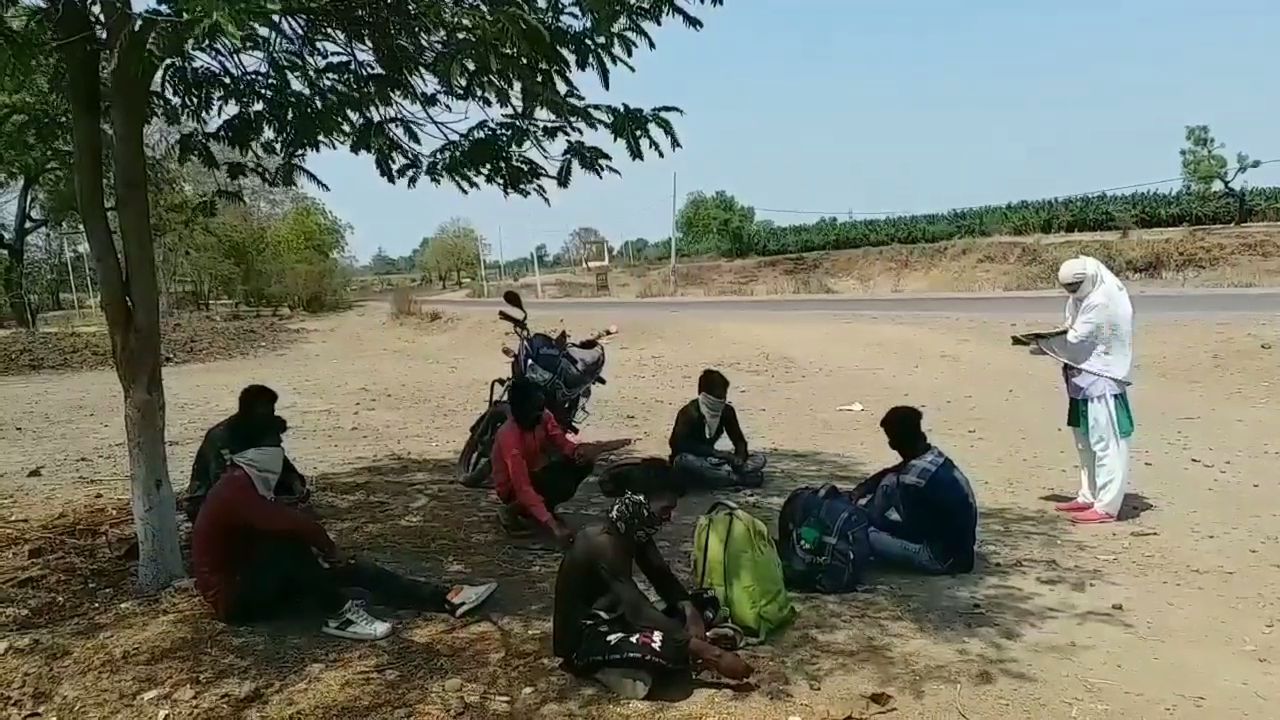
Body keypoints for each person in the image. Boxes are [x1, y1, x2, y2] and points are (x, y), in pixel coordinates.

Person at [191, 421, 498, 640]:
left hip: (256, 576)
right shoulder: (235, 489)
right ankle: (339, 615)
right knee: (290, 548)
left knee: (350, 568)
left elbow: (295, 512)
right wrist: (328, 550)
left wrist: (333, 557)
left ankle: (445, 597)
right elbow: (296, 525)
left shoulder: (251, 480)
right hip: (234, 596)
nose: (278, 451)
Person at [552, 469, 753, 699]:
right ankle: (614, 669)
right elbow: (637, 612)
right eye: (665, 509)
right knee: (666, 648)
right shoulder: (601, 542)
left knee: (704, 602)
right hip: (586, 638)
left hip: (618, 619)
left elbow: (662, 577)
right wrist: (713, 655)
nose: (669, 517)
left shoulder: (634, 532)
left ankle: (672, 653)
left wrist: (690, 611)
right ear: (639, 503)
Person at [1035, 256, 1135, 524]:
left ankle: (1107, 506)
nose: (1072, 293)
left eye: (1075, 287)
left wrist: (1044, 345)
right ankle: (1088, 495)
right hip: (1080, 375)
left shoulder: (1103, 298)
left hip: (1103, 376)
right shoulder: (1082, 295)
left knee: (1106, 442)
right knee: (1085, 440)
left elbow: (1078, 337)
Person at [492, 377, 629, 544]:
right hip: (513, 488)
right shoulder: (510, 438)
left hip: (535, 473)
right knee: (551, 483)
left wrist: (576, 452)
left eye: (540, 410)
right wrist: (553, 525)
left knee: (581, 465)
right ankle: (511, 511)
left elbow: (561, 441)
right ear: (520, 411)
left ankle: (541, 510)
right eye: (534, 411)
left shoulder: (543, 417)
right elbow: (522, 487)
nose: (539, 415)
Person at [850, 406, 978, 575]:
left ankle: (864, 524)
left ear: (895, 443)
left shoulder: (912, 480)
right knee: (889, 482)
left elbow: (913, 532)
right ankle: (867, 519)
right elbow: (893, 471)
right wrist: (863, 488)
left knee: (864, 534)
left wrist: (881, 526)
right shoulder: (933, 456)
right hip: (962, 550)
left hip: (940, 558)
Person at [184, 384, 308, 523]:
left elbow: (282, 466)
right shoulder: (221, 437)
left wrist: (295, 482)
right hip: (211, 502)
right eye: (264, 413)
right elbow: (222, 487)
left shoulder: (261, 431)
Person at [668, 369, 766, 489]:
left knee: (759, 459)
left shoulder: (726, 411)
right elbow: (678, 444)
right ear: (705, 394)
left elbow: (739, 440)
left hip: (713, 461)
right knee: (683, 460)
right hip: (694, 459)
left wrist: (739, 458)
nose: (722, 399)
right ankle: (737, 479)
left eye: (724, 394)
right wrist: (716, 453)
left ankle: (725, 475)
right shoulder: (689, 413)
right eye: (718, 396)